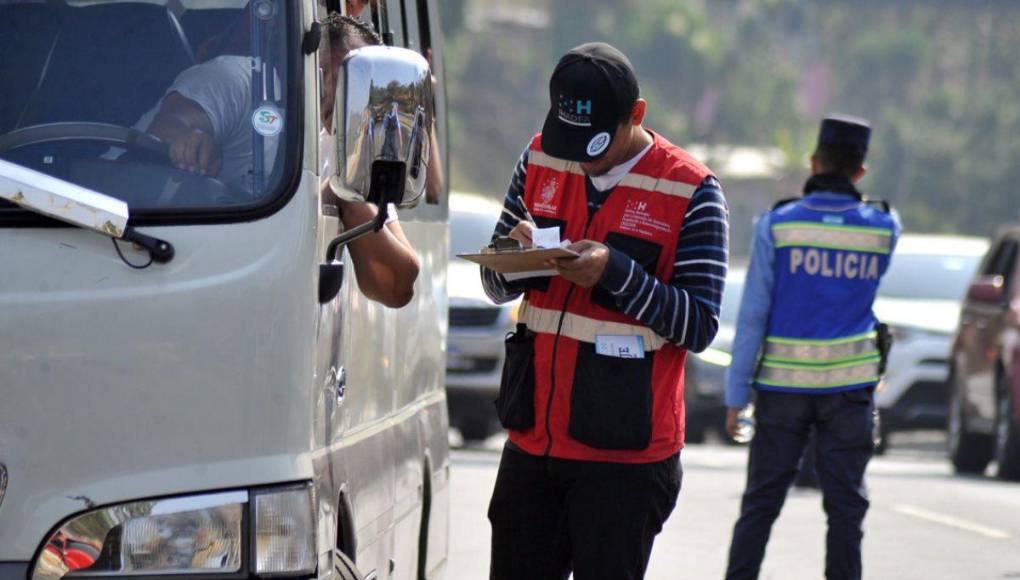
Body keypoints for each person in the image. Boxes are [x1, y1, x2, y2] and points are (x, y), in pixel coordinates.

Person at [480, 42, 729, 580]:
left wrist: (615, 273)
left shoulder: (692, 190)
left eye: (595, 143)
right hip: (532, 443)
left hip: (625, 460)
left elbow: (700, 323)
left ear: (636, 116)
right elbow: (493, 281)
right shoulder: (541, 154)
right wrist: (516, 259)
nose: (581, 158)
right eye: (570, 139)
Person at [723, 115, 901, 580]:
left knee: (760, 504)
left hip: (781, 391)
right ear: (860, 171)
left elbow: (753, 316)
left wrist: (736, 396)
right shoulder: (883, 228)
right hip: (850, 391)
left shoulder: (778, 225)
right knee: (845, 510)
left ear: (813, 161)